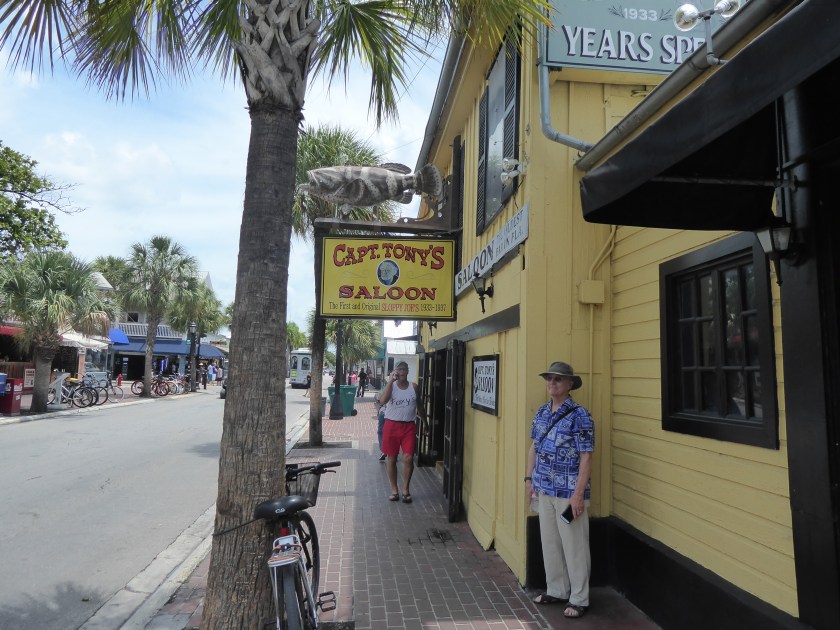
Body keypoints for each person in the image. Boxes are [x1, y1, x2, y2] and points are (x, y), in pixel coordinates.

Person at [525, 361, 594, 620]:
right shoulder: (542, 413)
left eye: (557, 379)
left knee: (574, 545)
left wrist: (578, 495)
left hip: (568, 492)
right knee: (550, 542)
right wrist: (528, 480)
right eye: (549, 379)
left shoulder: (580, 415)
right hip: (544, 489)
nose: (552, 383)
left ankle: (579, 597)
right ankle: (557, 588)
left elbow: (587, 457)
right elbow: (534, 446)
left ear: (569, 384)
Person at [378, 361, 426, 503]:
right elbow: (382, 400)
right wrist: (390, 382)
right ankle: (394, 490)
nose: (402, 372)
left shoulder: (414, 387)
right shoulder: (391, 387)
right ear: (395, 372)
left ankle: (406, 489)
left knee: (408, 458)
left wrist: (425, 423)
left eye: (404, 369)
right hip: (391, 426)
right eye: (399, 370)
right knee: (391, 458)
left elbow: (420, 406)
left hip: (408, 427)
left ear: (408, 371)